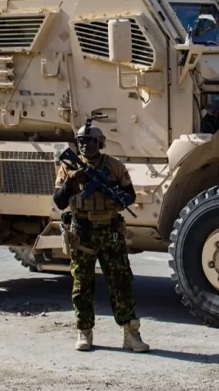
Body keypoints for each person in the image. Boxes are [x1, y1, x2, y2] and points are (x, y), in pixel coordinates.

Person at [53, 120, 149, 353]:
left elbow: (130, 196)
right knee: (82, 284)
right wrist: (71, 182)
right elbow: (59, 202)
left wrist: (116, 196)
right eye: (81, 142)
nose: (85, 146)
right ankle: (84, 332)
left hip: (110, 232)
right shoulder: (68, 168)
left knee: (121, 282)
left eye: (90, 141)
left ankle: (131, 334)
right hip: (82, 232)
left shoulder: (114, 167)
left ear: (100, 143)